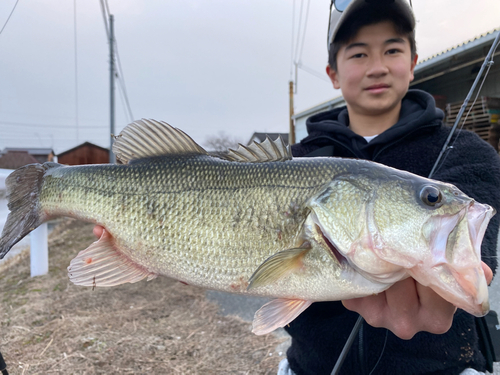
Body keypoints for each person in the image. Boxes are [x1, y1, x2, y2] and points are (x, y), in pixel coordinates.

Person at [279, 1, 500, 374]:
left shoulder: (468, 153)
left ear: (413, 63)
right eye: (359, 53)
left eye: (393, 50)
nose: (377, 66)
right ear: (333, 73)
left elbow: (474, 254)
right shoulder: (294, 161)